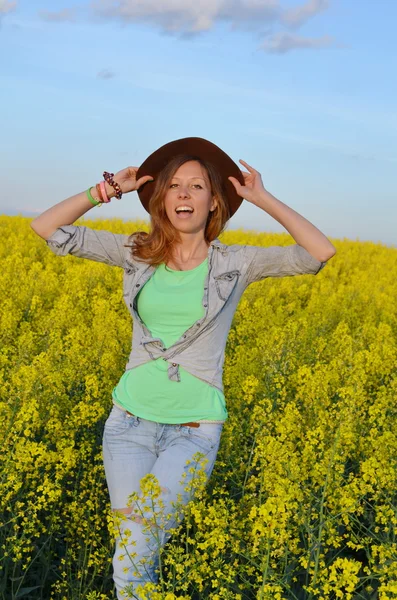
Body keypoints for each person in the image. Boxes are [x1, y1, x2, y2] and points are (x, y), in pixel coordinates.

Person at [30, 137, 336, 599]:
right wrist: (108, 188)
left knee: (133, 548)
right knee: (136, 551)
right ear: (162, 199)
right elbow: (48, 228)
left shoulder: (236, 263)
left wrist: (261, 197)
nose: (185, 194)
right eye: (174, 186)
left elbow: (318, 253)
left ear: (214, 201)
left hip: (192, 431)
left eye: (197, 186)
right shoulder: (136, 252)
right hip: (127, 423)